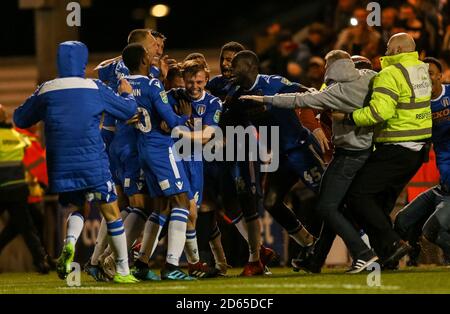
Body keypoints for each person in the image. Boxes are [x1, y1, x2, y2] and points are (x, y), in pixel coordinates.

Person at [241, 51, 378, 273]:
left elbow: (303, 96)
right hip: (292, 154)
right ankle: (311, 246)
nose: (227, 65)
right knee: (277, 202)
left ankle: (366, 248)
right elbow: (306, 102)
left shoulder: (277, 83)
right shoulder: (233, 90)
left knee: (332, 203)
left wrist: (315, 129)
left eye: (232, 61)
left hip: (306, 151)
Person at [13, 41, 139, 283]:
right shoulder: (94, 87)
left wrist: (39, 100)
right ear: (83, 61)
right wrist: (126, 92)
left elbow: (20, 118)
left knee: (78, 207)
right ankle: (123, 270)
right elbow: (127, 110)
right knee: (111, 211)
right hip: (92, 160)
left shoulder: (46, 89)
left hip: (61, 164)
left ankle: (68, 245)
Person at [338, 33, 432, 266]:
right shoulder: (421, 69)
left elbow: (379, 112)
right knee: (380, 204)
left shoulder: (390, 74)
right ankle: (389, 258)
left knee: (357, 195)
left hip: (396, 147)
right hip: (417, 150)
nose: (385, 52)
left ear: (398, 50)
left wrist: (348, 117)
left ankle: (394, 243)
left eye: (389, 48)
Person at [225, 50, 317, 275]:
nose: (231, 71)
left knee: (328, 198)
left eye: (235, 66)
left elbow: (307, 93)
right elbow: (224, 121)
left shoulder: (274, 83)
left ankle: (364, 244)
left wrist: (317, 125)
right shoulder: (236, 96)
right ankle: (309, 244)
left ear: (250, 67)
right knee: (271, 202)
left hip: (299, 149)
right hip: (279, 157)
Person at [119, 43, 194, 280]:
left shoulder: (125, 86)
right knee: (181, 203)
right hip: (161, 149)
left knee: (160, 207)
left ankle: (141, 262)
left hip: (142, 149)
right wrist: (185, 116)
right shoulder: (152, 85)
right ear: (143, 60)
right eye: (148, 56)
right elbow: (171, 120)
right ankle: (172, 265)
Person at [394, 57, 450, 265]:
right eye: (422, 74)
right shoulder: (417, 106)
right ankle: (410, 258)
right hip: (442, 186)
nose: (426, 77)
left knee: (432, 231)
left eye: (431, 73)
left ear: (440, 76)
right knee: (402, 220)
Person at [0, 105, 50, 274]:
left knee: (24, 226)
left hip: (2, 188)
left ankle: (42, 259)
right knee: (27, 227)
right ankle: (41, 261)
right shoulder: (18, 137)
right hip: (19, 189)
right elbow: (30, 162)